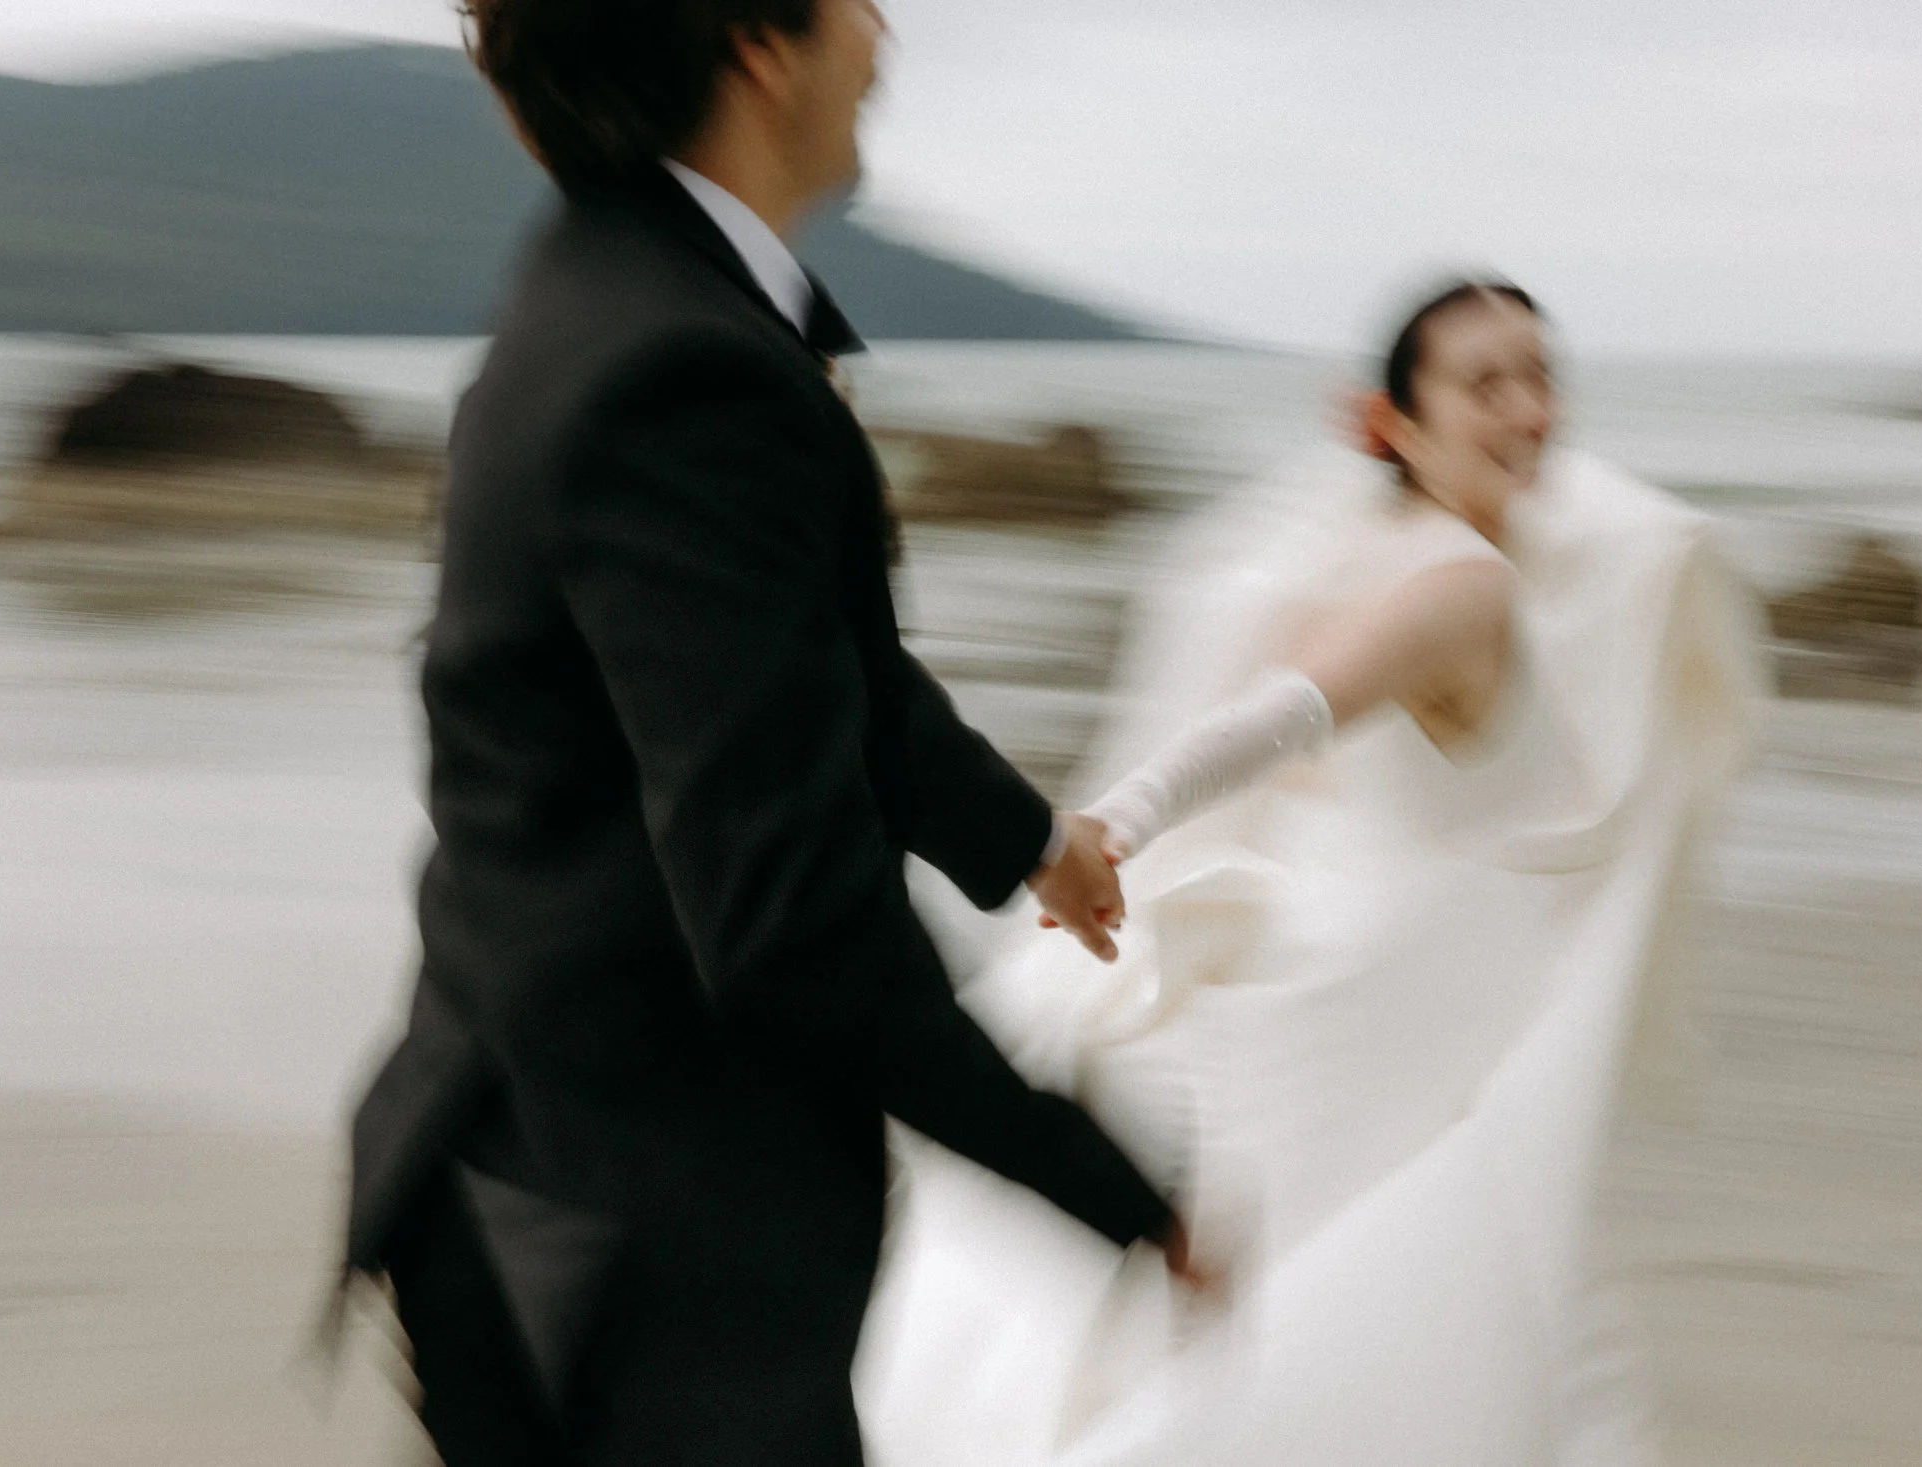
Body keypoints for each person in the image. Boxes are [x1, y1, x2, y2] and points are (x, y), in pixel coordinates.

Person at [338, 3, 1202, 1462]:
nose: (881, 27)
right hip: (623, 1241)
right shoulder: (684, 365)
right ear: (756, 41)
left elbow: (809, 665)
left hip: (530, 1159)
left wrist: (1025, 841)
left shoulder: (605, 287)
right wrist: (1110, 1186)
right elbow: (789, 913)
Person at [857, 282, 1768, 1466]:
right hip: (1398, 991)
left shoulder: (1359, 550)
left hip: (1374, 953)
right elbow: (1282, 716)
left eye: (1540, 375)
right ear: (1393, 422)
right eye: (1485, 384)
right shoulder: (1464, 584)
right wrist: (1112, 826)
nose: (1529, 411)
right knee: (1404, 1301)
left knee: (1361, 1292)